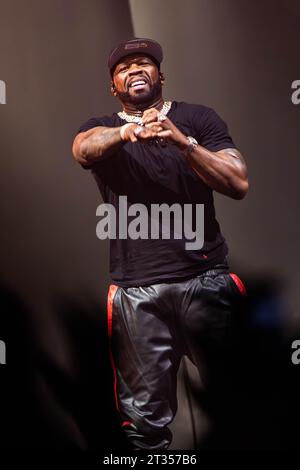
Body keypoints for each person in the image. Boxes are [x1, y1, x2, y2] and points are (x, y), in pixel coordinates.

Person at [72, 37, 249, 450]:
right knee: (143, 427)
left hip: (205, 281)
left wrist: (182, 142)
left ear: (160, 75)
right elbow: (83, 149)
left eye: (144, 63)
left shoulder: (197, 118)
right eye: (124, 68)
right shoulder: (102, 128)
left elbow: (237, 182)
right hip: (137, 292)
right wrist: (128, 133)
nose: (135, 70)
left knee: (241, 403)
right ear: (113, 86)